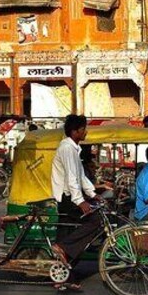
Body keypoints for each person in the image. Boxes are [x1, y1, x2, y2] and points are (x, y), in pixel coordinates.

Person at [49, 115, 104, 280]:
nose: (85, 132)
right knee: (95, 221)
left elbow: (81, 177)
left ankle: (64, 276)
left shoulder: (74, 148)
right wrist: (81, 201)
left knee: (69, 233)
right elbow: (72, 178)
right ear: (75, 131)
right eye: (82, 129)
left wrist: (93, 194)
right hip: (67, 198)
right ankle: (61, 247)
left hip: (70, 197)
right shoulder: (67, 148)